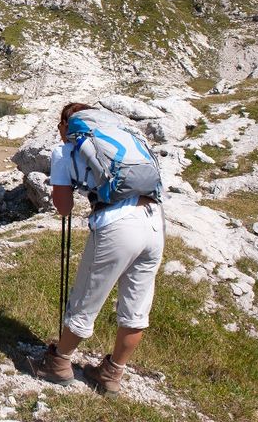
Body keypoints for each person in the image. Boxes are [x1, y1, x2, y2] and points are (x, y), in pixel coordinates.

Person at [31, 102, 165, 396]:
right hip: (155, 222)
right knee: (136, 307)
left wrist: (68, 186)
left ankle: (59, 363)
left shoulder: (65, 151)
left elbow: (63, 207)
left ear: (67, 126)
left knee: (86, 299)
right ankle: (111, 373)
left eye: (60, 125)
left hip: (118, 225)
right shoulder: (122, 140)